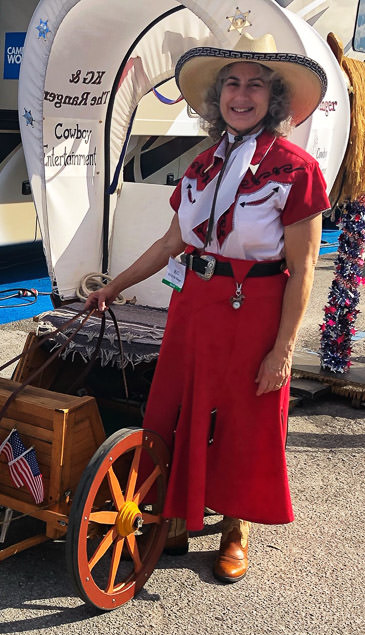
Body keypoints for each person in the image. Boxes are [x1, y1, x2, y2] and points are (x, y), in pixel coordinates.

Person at [85, 34, 330, 583]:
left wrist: (283, 350)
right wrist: (112, 286)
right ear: (218, 97)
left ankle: (235, 525)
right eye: (233, 85)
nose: (242, 95)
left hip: (256, 305)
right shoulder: (201, 167)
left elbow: (305, 267)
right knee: (175, 407)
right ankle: (173, 509)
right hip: (194, 302)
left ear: (275, 99)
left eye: (256, 85)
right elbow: (172, 242)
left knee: (245, 417)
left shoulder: (296, 170)